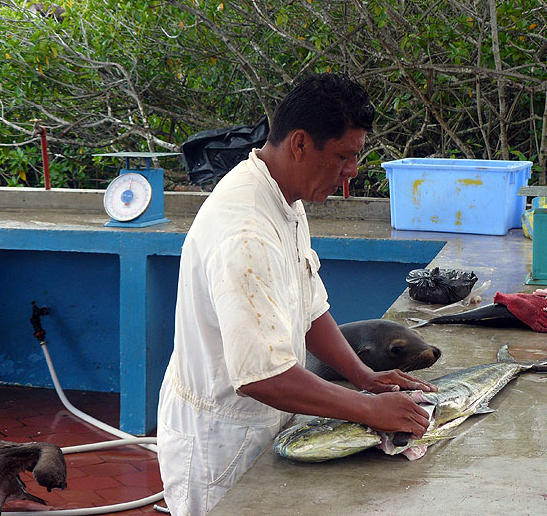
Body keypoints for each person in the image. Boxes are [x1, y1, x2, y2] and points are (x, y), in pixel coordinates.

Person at [156, 73, 437, 516]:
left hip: (270, 424)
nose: (353, 171)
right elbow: (261, 377)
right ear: (301, 144)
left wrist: (364, 375)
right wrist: (369, 409)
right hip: (224, 444)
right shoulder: (245, 232)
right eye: (344, 156)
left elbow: (309, 307)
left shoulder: (286, 197)